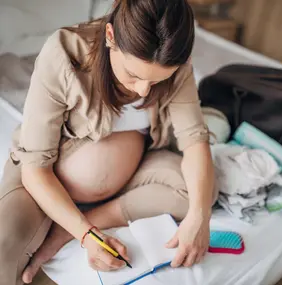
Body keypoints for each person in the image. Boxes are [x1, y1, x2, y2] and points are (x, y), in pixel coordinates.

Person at [0, 0, 217, 284]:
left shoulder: (176, 62)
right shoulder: (65, 54)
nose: (142, 90)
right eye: (135, 75)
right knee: (4, 242)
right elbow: (35, 169)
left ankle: (72, 226)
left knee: (202, 193)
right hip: (46, 178)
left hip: (133, 173)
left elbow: (195, 141)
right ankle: (64, 219)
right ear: (110, 37)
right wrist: (85, 233)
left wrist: (200, 218)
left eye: (157, 81)